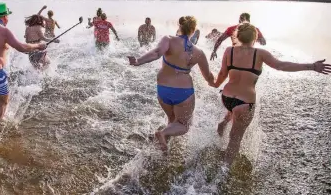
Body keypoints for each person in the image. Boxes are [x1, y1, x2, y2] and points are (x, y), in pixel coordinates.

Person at [210, 23, 330, 167]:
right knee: (235, 139)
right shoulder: (260, 54)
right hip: (244, 103)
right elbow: (281, 66)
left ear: (238, 36)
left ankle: (223, 125)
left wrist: (216, 84)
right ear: (254, 39)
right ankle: (224, 172)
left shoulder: (229, 50)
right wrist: (311, 66)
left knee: (233, 111)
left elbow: (223, 74)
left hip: (227, 97)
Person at [128, 16, 215, 151]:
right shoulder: (198, 52)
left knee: (172, 119)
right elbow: (208, 76)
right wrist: (214, 82)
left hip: (163, 90)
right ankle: (162, 134)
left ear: (179, 26)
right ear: (193, 30)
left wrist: (138, 61)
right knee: (183, 124)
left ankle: (163, 148)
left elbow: (156, 53)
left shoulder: (168, 39)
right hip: (183, 92)